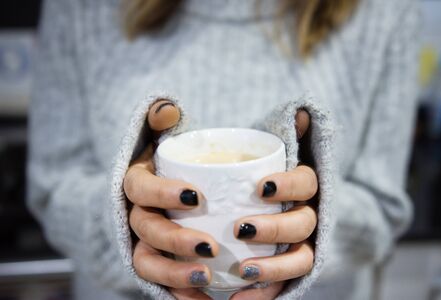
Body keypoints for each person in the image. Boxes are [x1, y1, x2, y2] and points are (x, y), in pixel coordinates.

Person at [27, 0, 419, 299]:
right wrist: (124, 223)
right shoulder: (82, 8)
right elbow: (52, 186)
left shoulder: (385, 12)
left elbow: (382, 205)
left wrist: (315, 222)